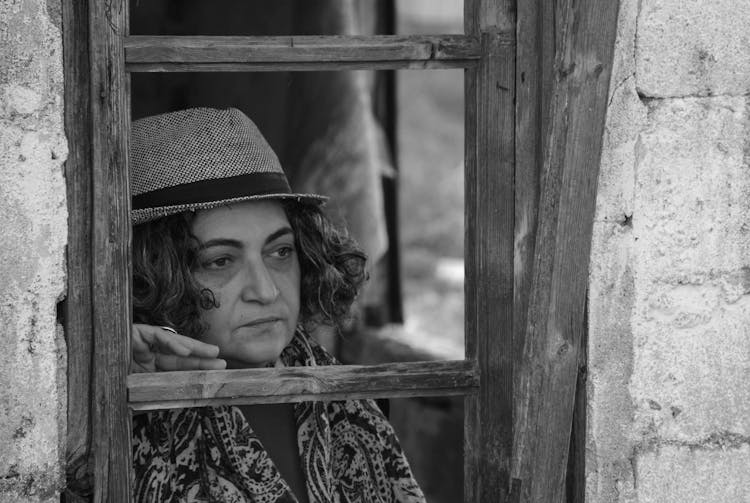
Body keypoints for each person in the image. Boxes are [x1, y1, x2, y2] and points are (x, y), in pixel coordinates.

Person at [129, 107, 425, 503]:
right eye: (220, 261)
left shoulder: (350, 404)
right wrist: (120, 386)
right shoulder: (118, 407)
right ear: (154, 273)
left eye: (281, 251)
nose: (266, 291)